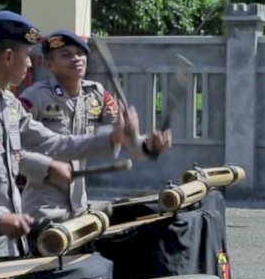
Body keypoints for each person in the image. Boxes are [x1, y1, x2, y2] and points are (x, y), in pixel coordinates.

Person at [0, 11, 138, 266]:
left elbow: (54, 142)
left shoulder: (9, 105)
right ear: (8, 56)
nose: (29, 64)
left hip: (14, 247)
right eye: (26, 56)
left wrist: (113, 138)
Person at [18, 30, 173, 221]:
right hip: (43, 209)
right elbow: (13, 151)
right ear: (49, 65)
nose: (76, 59)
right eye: (66, 55)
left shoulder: (96, 94)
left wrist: (148, 145)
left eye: (80, 53)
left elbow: (123, 141)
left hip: (79, 208)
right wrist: (47, 167)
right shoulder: (34, 98)